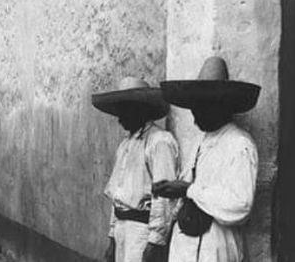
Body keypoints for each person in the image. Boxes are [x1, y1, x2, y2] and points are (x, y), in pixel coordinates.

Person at [154, 56, 260, 262]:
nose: (194, 118)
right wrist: (171, 190)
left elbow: (240, 205)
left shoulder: (239, 145)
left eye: (200, 109)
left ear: (220, 106)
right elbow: (188, 186)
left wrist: (188, 190)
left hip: (215, 249)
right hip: (185, 247)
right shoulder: (201, 143)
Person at [93, 77, 180, 262]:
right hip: (122, 229)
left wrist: (155, 242)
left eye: (125, 110)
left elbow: (164, 198)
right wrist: (112, 237)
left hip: (142, 230)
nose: (119, 118)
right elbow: (118, 194)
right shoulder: (125, 145)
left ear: (140, 109)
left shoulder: (160, 141)